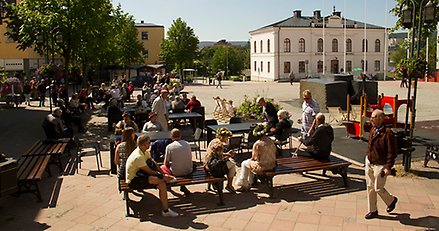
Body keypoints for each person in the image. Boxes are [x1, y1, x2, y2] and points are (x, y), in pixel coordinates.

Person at [125, 135, 179, 217]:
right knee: (153, 179)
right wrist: (163, 177)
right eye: (148, 143)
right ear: (143, 145)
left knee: (162, 185)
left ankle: (165, 210)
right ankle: (167, 179)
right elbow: (149, 171)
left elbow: (153, 163)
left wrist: (162, 173)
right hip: (133, 180)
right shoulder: (138, 156)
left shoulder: (145, 152)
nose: (150, 144)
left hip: (141, 174)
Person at [364, 109, 398, 219]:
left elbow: (391, 152)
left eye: (373, 117)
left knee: (378, 188)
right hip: (370, 161)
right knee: (370, 187)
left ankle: (391, 200)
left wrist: (388, 167)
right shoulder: (373, 129)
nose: (371, 119)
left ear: (380, 119)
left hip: (380, 163)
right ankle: (372, 210)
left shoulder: (388, 133)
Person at [235, 124, 276, 191]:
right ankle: (251, 182)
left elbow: (254, 158)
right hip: (272, 165)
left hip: (262, 167)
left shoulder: (258, 144)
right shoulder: (271, 141)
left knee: (244, 163)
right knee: (250, 164)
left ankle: (244, 184)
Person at [160, 129, 193, 195]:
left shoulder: (169, 147)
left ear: (171, 136)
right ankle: (182, 187)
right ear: (180, 136)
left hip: (176, 173)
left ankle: (168, 184)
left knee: (162, 167)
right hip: (188, 170)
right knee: (181, 164)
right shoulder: (187, 144)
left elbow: (166, 163)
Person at [204, 128, 237, 193]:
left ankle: (216, 184)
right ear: (223, 137)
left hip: (208, 163)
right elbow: (219, 159)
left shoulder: (213, 141)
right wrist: (229, 155)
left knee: (230, 163)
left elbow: (217, 154)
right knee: (232, 164)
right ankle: (229, 185)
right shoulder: (219, 144)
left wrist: (227, 154)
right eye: (226, 137)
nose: (227, 139)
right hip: (213, 166)